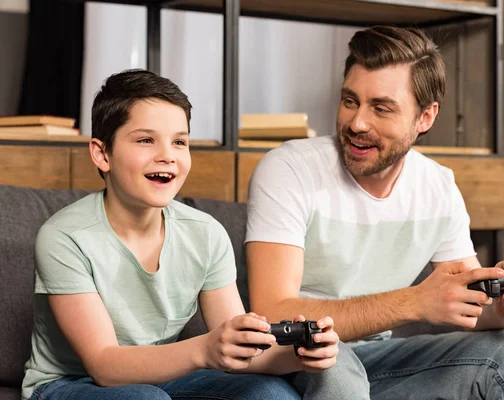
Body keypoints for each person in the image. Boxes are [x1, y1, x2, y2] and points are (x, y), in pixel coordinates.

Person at [245, 26, 504, 399]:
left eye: (381, 108)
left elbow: (471, 305)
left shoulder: (437, 187)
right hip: (296, 353)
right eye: (350, 101)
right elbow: (271, 311)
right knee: (338, 372)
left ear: (425, 117)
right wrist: (415, 302)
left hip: (378, 357)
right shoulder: (289, 169)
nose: (358, 123)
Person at [21, 69, 344, 400]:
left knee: (272, 394)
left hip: (161, 375)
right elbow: (104, 365)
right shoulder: (64, 237)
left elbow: (242, 353)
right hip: (71, 383)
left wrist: (302, 355)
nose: (168, 154)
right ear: (102, 154)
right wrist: (204, 348)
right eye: (146, 140)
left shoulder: (205, 234)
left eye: (179, 141)